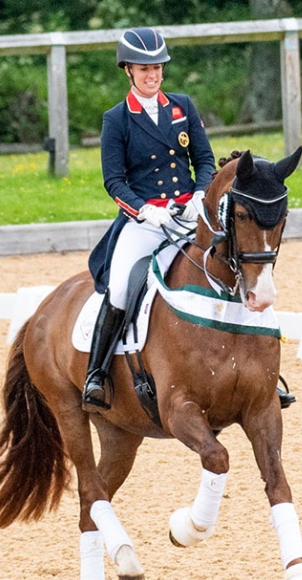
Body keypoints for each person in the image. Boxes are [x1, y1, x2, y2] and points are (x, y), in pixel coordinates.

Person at [82, 27, 216, 411]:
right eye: (143, 69)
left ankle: (259, 374)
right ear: (128, 70)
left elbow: (204, 160)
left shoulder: (182, 107)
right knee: (121, 288)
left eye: (157, 67)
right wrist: (145, 210)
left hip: (189, 213)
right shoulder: (117, 119)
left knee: (231, 267)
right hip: (145, 221)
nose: (152, 75)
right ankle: (97, 374)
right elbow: (114, 180)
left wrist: (200, 194)